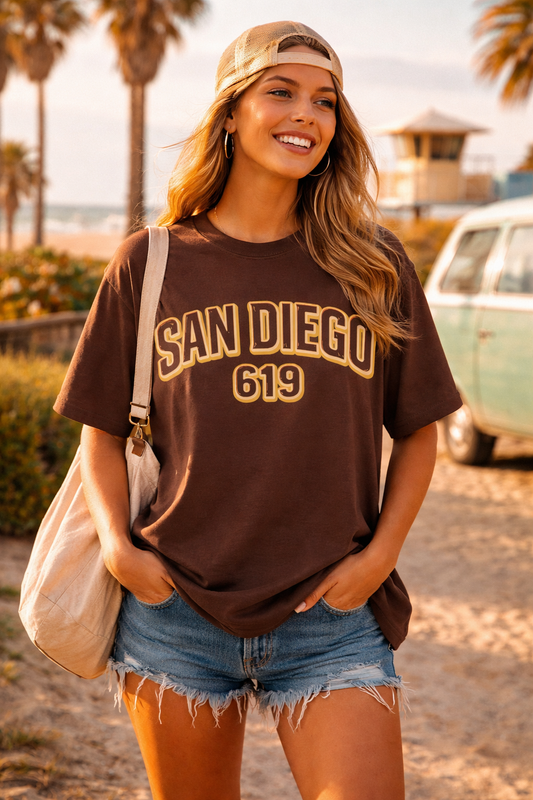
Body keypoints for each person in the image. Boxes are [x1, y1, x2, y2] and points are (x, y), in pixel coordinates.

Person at [54, 20, 461, 800]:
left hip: (331, 616)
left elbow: (418, 431)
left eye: (326, 100)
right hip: (174, 608)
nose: (306, 113)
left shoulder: (373, 265)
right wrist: (117, 548)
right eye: (282, 91)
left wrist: (376, 561)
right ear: (232, 112)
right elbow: (101, 432)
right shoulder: (152, 261)